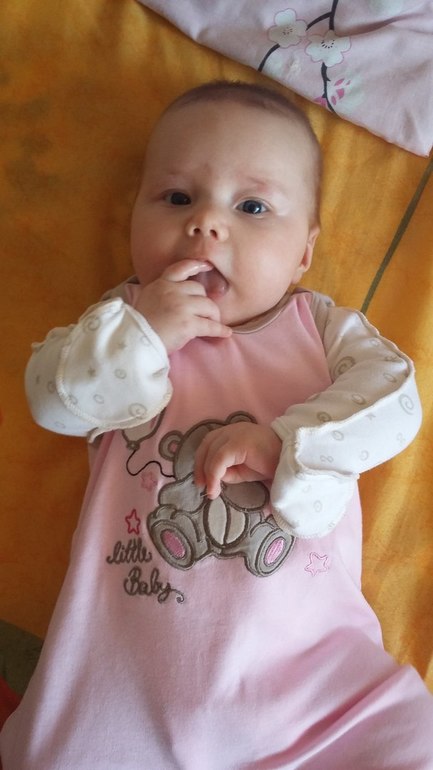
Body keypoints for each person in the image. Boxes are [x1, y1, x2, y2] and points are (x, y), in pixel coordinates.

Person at [1, 80, 432, 769]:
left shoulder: (320, 329)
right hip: (118, 692)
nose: (205, 223)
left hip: (317, 699)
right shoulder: (120, 324)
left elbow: (396, 400)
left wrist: (289, 445)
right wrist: (144, 333)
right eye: (176, 198)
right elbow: (51, 400)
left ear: (303, 253)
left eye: (251, 206)